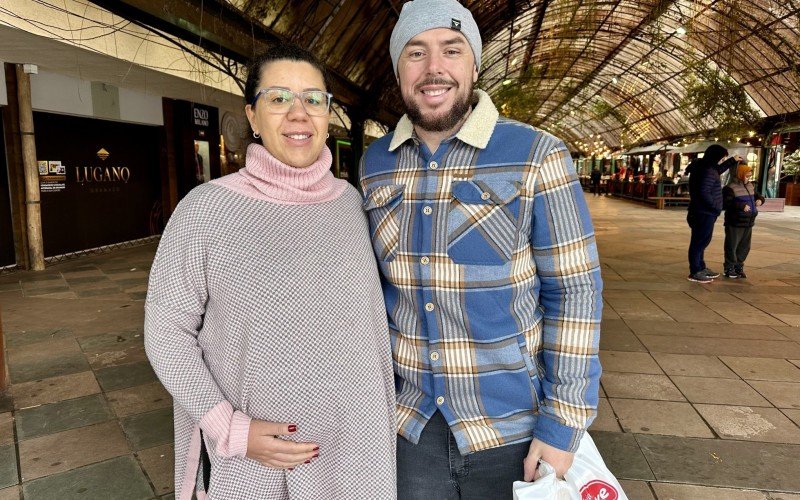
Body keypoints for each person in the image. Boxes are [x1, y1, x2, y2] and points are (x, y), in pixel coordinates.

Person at [359, 1, 603, 498]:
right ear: (397, 68)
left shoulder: (537, 154)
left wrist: (562, 424)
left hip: (512, 429)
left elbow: (574, 292)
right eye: (415, 52)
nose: (434, 69)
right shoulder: (375, 165)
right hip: (409, 428)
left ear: (473, 63)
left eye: (452, 50)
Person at [145, 43, 396, 500]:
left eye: (314, 99)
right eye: (279, 98)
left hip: (353, 455)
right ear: (253, 118)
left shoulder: (352, 206)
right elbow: (165, 333)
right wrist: (230, 428)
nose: (299, 113)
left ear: (327, 116)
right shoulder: (206, 211)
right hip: (250, 464)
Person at [685, 144, 737, 283]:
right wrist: (715, 207)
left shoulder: (705, 166)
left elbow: (717, 170)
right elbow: (704, 192)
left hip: (701, 211)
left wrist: (731, 160)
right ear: (715, 157)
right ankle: (695, 272)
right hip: (704, 212)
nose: (721, 161)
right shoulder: (706, 169)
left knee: (701, 242)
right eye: (721, 158)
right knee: (699, 242)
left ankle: (700, 267)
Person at [722, 162, 764, 279]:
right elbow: (726, 203)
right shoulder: (730, 188)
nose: (748, 178)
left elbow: (758, 196)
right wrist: (741, 206)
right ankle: (729, 267)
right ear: (740, 174)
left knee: (745, 247)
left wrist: (760, 200)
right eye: (747, 175)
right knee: (732, 245)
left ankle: (738, 266)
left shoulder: (750, 186)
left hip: (748, 222)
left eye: (750, 176)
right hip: (735, 222)